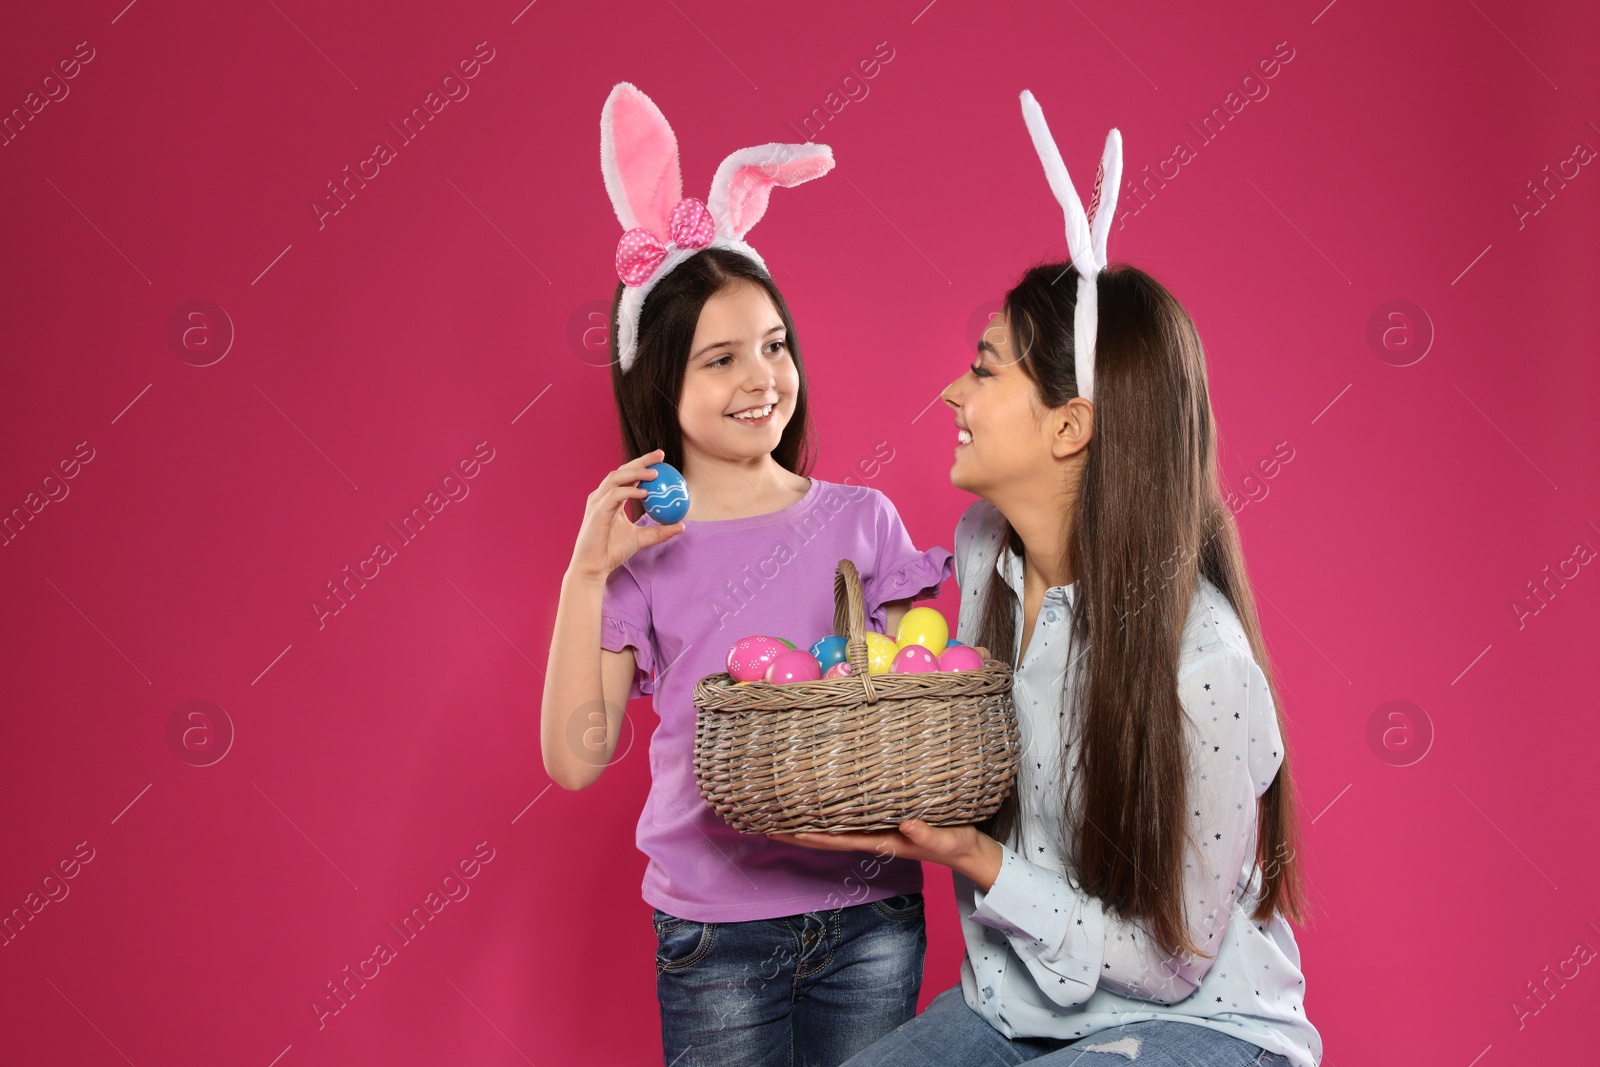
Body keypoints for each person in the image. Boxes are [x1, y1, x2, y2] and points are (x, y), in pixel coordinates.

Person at [771, 91, 1322, 1067]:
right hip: (1013, 1009)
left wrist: (976, 859)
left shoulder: (1203, 666)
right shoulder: (985, 549)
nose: (953, 390)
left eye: (984, 368)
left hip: (1199, 1024)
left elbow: (1169, 963)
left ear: (1070, 426)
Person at [539, 82, 954, 1067]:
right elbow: (575, 755)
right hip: (714, 935)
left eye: (772, 346)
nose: (761, 378)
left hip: (868, 916)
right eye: (720, 359)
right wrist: (584, 573)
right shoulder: (643, 552)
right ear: (659, 383)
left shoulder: (862, 521)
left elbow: (909, 705)